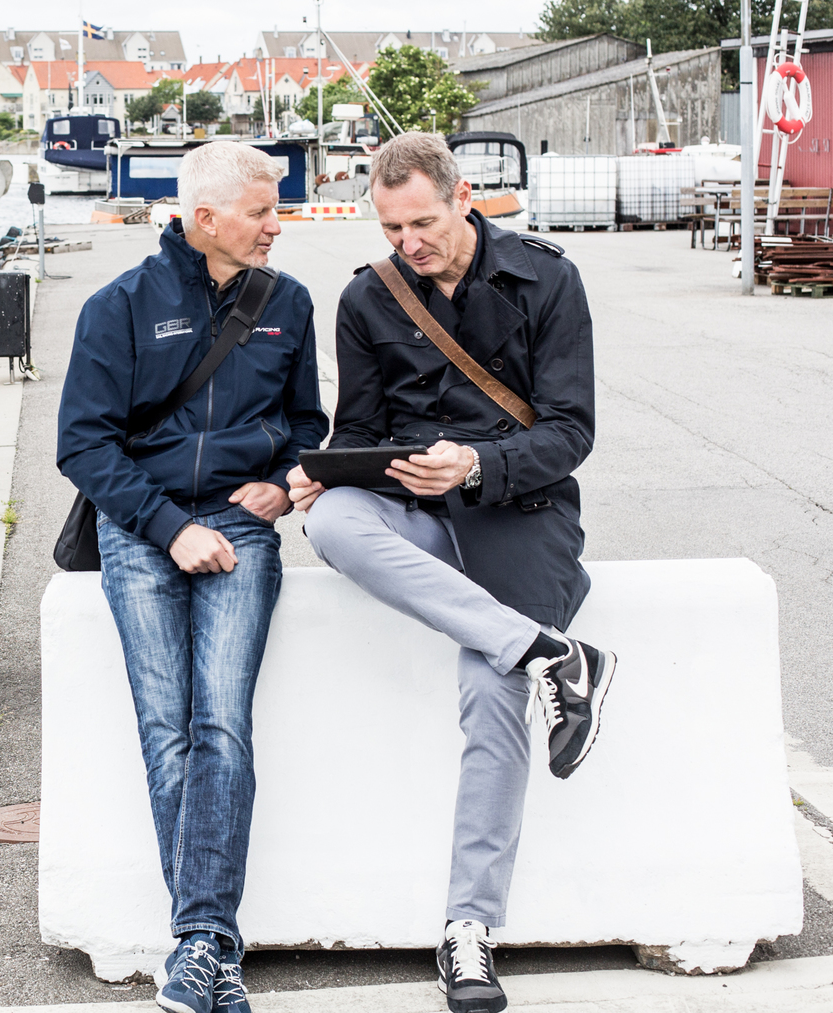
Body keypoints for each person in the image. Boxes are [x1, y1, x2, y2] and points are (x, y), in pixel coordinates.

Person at [288, 131, 616, 1013]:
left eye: (423, 223)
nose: (409, 244)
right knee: (333, 519)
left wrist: (474, 465)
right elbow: (361, 430)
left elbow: (572, 430)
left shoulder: (547, 279)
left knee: (487, 686)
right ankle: (551, 653)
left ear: (463, 197)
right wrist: (327, 472)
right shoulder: (367, 296)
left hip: (520, 508)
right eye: (392, 229)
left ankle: (469, 929)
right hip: (413, 509)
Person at [58, 142, 327, 1013]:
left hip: (243, 525)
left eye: (276, 209)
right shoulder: (119, 306)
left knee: (221, 723)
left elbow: (307, 423)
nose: (276, 226)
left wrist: (281, 484)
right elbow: (84, 445)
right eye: (261, 211)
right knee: (165, 727)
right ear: (204, 218)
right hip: (144, 528)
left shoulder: (288, 302)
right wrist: (171, 528)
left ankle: (200, 943)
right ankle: (211, 942)